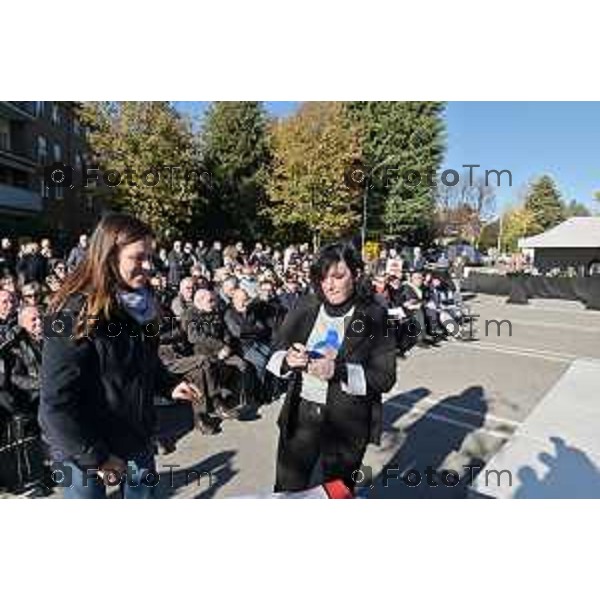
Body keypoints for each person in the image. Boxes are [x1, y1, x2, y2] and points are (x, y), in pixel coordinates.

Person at [39, 213, 200, 499]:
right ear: (109, 256)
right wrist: (97, 458)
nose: (148, 267)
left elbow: (144, 361)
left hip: (133, 432)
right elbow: (54, 403)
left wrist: (169, 383)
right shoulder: (66, 310)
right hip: (80, 445)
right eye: (138, 258)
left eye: (150, 257)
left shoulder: (143, 301)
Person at [266, 243, 396, 493]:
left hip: (346, 424)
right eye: (323, 277)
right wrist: (288, 360)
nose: (329, 285)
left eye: (338, 276)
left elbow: (385, 377)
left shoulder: (374, 315)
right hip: (301, 416)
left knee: (337, 494)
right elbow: (276, 350)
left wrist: (338, 372)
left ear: (356, 275)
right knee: (286, 491)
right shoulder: (305, 306)